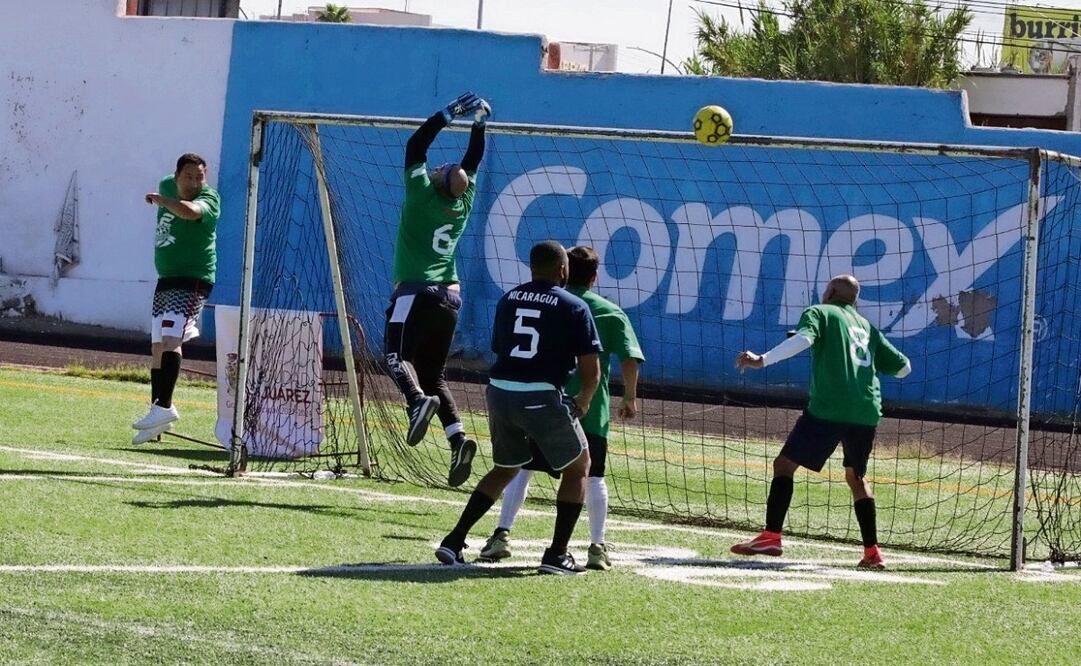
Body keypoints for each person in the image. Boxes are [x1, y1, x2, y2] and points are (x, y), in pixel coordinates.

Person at [435, 241, 602, 575]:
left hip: (499, 392)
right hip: (539, 394)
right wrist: (583, 398)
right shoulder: (573, 305)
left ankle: (453, 540)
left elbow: (502, 348)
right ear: (562, 269)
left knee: (506, 467)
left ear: (531, 267)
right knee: (579, 467)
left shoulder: (508, 298)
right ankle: (556, 554)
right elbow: (590, 367)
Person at [478, 246, 644, 571]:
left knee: (522, 469)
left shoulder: (549, 303)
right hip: (588, 410)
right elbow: (629, 357)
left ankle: (500, 534)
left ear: (565, 270)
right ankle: (596, 547)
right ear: (595, 276)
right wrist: (630, 397)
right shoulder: (607, 312)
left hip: (538, 402)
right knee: (592, 474)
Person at [729, 274, 911, 569]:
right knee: (857, 478)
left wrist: (761, 359)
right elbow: (904, 368)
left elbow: (803, 339)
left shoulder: (819, 312)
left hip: (830, 406)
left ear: (831, 292)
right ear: (855, 299)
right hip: (866, 411)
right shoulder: (867, 327)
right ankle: (872, 553)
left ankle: (771, 536)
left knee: (784, 466)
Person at [385, 91, 491, 488]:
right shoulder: (462, 203)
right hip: (450, 297)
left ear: (438, 179)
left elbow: (416, 144)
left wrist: (449, 114)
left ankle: (416, 402)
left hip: (415, 292)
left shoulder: (420, 195)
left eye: (442, 167)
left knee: (395, 356)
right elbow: (472, 162)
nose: (441, 165)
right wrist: (480, 124)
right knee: (434, 373)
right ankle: (457, 438)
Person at [131, 153, 221, 445]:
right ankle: (158, 413)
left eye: (200, 177)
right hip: (166, 278)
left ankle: (164, 408)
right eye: (189, 177)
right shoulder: (166, 184)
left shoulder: (209, 199)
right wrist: (163, 197)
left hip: (192, 280)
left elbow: (190, 212)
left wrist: (162, 200)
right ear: (177, 176)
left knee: (172, 338)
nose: (195, 182)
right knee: (157, 345)